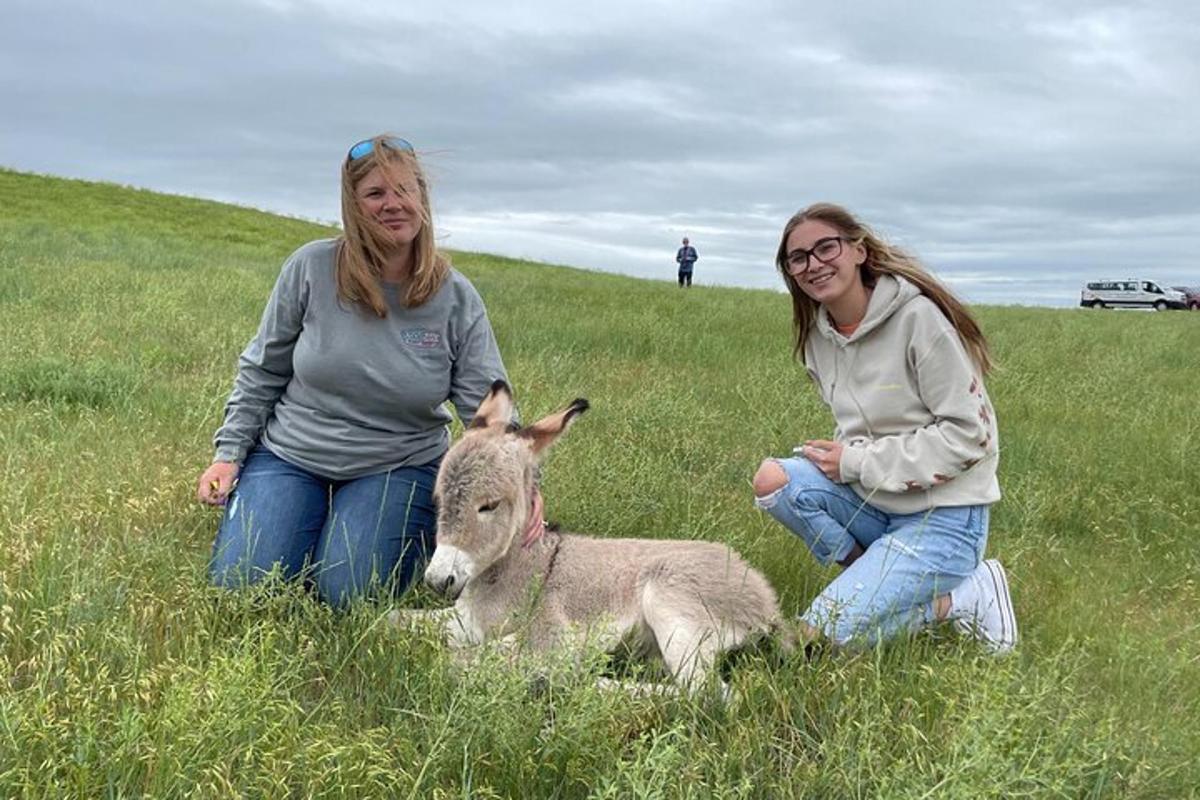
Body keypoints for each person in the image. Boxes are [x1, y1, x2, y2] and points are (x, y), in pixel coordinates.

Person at [196, 135, 510, 608]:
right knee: (242, 587)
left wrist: (517, 487)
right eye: (376, 194)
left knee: (345, 593)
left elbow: (486, 412)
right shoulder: (310, 268)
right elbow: (261, 369)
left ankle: (376, 530)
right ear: (354, 205)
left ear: (423, 200)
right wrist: (229, 453)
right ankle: (300, 519)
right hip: (291, 456)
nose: (393, 204)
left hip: (398, 465)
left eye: (405, 190)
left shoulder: (455, 296)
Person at [752, 202, 1016, 653]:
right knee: (774, 482)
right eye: (799, 258)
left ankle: (964, 597)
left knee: (809, 644)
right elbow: (864, 422)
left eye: (826, 247)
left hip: (946, 519)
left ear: (858, 249)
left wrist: (855, 461)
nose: (814, 264)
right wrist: (843, 453)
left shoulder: (919, 319)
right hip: (879, 501)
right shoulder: (818, 335)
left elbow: (971, 435)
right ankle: (871, 578)